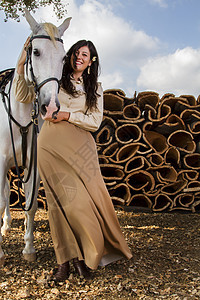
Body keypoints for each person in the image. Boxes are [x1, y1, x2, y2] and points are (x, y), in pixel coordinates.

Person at [14, 37, 132, 281]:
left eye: (85, 55)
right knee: (59, 205)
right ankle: (66, 262)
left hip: (81, 148)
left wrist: (67, 114)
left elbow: (94, 121)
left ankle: (88, 254)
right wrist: (22, 60)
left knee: (83, 204)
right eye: (76, 52)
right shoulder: (54, 78)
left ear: (91, 61)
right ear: (69, 55)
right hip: (51, 144)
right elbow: (22, 94)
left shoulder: (95, 88)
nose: (79, 57)